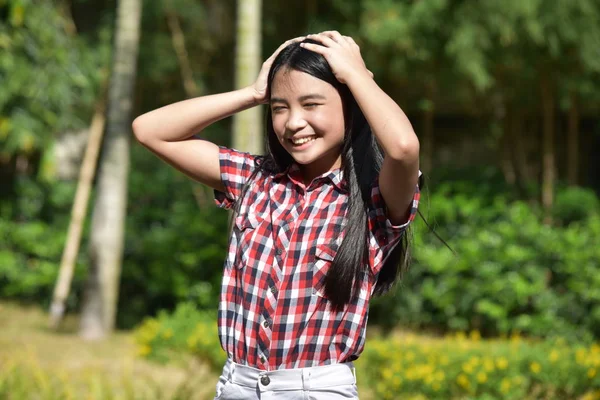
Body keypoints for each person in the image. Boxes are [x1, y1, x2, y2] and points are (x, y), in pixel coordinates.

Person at [133, 31, 421, 400]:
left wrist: (357, 76)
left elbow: (403, 147)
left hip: (317, 390)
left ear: (352, 106)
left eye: (311, 104)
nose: (292, 122)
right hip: (237, 384)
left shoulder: (373, 199)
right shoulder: (254, 178)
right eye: (279, 107)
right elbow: (150, 131)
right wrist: (253, 93)